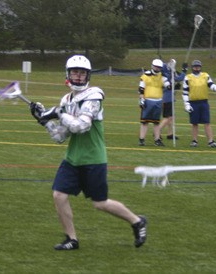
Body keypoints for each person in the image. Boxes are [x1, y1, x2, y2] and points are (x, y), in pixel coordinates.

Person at [29, 55, 147, 250]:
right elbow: (61, 136)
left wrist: (58, 113)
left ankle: (137, 221)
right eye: (74, 72)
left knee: (100, 203)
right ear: (68, 74)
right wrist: (44, 121)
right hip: (73, 158)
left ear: (88, 76)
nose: (78, 76)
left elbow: (81, 126)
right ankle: (71, 239)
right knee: (59, 195)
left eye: (82, 73)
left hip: (93, 158)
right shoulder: (66, 100)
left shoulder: (95, 94)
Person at [182, 59, 216, 147]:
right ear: (192, 67)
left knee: (207, 122)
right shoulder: (188, 77)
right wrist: (186, 104)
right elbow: (185, 92)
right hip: (193, 102)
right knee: (194, 123)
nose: (196, 68)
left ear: (200, 67)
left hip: (203, 102)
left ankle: (211, 141)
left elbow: (211, 86)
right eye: (195, 67)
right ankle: (194, 141)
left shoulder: (205, 76)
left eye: (198, 67)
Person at [138, 59, 171, 146]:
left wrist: (169, 86)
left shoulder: (162, 76)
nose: (157, 68)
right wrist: (141, 100)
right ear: (152, 66)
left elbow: (166, 83)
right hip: (147, 101)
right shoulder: (145, 75)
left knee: (156, 122)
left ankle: (157, 140)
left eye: (159, 67)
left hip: (158, 101)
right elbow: (141, 89)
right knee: (144, 122)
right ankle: (141, 139)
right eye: (156, 66)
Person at [159, 61, 188, 140]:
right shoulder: (165, 75)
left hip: (169, 98)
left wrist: (183, 71)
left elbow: (177, 79)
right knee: (168, 117)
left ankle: (170, 134)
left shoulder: (168, 74)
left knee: (171, 117)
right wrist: (183, 71)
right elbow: (177, 79)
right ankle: (157, 131)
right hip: (167, 98)